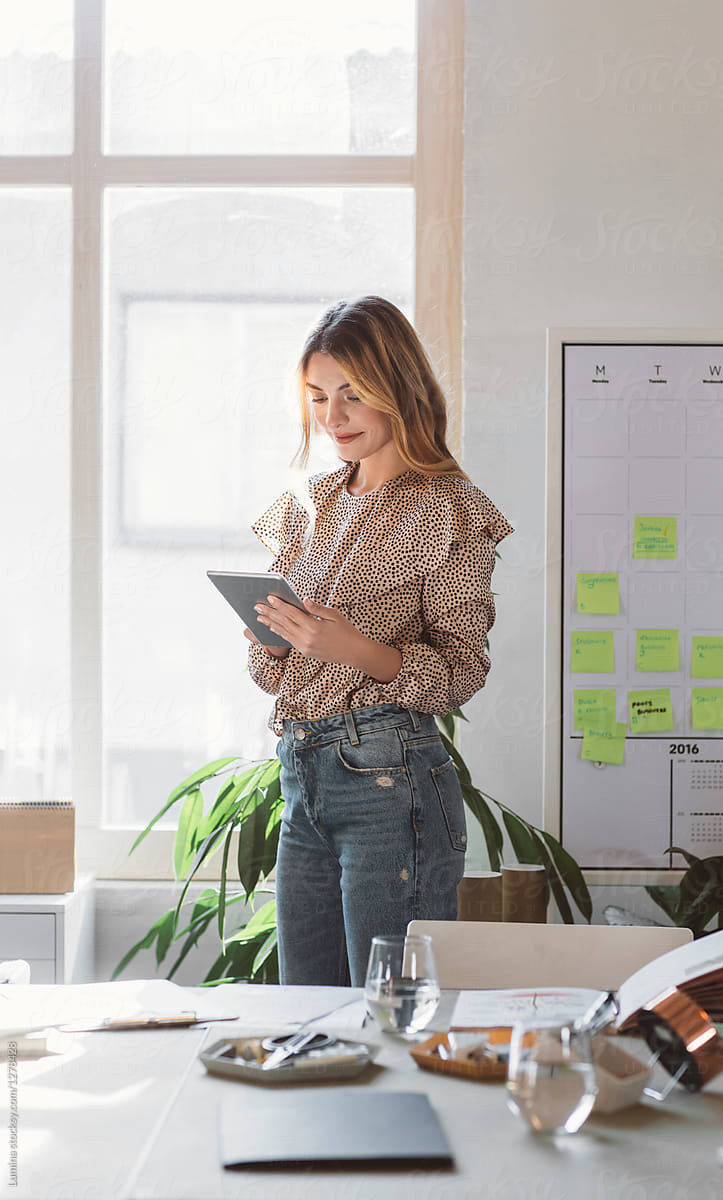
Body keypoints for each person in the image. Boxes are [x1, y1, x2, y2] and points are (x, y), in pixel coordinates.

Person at [244, 295, 513, 987]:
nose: (331, 418)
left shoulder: (448, 507)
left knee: (388, 1014)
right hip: (302, 778)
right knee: (306, 1013)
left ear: (397, 389)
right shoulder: (314, 503)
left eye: (351, 396)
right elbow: (271, 674)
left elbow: (460, 671)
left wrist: (353, 648)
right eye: (317, 397)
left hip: (390, 783)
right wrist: (274, 640)